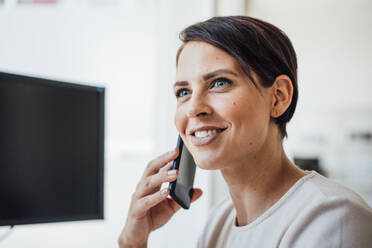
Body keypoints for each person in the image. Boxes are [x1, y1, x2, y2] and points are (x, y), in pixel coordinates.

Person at [118, 16, 372, 248]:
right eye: (183, 92)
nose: (194, 108)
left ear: (278, 97)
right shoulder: (218, 222)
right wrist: (132, 241)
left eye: (219, 83)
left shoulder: (331, 219)